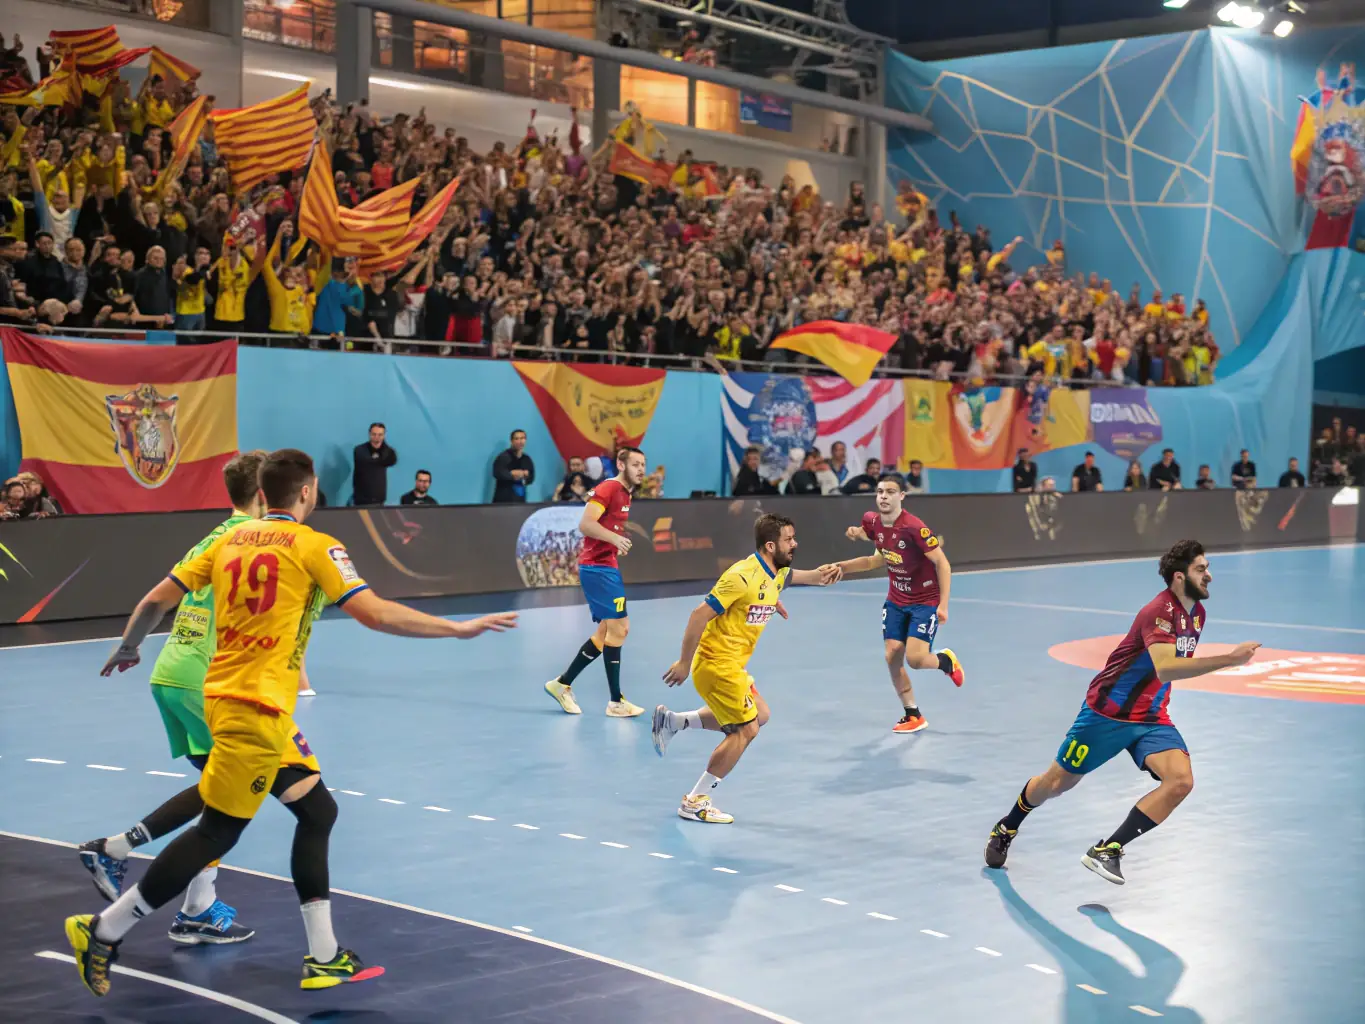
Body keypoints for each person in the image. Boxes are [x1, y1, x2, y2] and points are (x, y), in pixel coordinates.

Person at [66, 448, 518, 999]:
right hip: (253, 711)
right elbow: (374, 613)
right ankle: (104, 930)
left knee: (317, 810)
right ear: (307, 491)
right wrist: (458, 629)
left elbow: (153, 601)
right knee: (216, 832)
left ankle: (325, 957)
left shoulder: (227, 540)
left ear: (263, 493)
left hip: (235, 701)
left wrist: (130, 646)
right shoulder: (315, 546)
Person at [77, 452, 270, 948]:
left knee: (217, 791)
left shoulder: (215, 535)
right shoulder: (255, 537)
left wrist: (130, 646)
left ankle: (196, 907)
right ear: (265, 493)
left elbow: (157, 599)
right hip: (205, 679)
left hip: (171, 671)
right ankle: (117, 851)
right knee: (230, 795)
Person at [983, 540, 1260, 884]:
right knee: (1055, 784)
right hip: (1107, 715)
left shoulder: (1197, 614)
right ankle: (1008, 825)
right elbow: (1165, 668)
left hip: (1151, 717)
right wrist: (1230, 660)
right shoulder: (1157, 612)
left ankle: (1108, 849)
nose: (1209, 576)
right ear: (1179, 577)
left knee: (1180, 782)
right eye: (1201, 569)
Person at [650, 514, 841, 823]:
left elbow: (812, 578)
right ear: (770, 546)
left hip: (733, 666)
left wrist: (834, 572)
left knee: (760, 714)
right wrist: (684, 663)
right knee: (746, 729)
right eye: (789, 540)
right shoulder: (741, 576)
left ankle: (673, 722)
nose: (795, 544)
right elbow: (699, 615)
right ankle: (695, 801)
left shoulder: (777, 573)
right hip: (716, 665)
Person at [830, 474, 965, 733]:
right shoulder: (872, 521)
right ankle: (912, 714)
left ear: (901, 496)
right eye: (880, 491)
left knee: (915, 659)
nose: (883, 496)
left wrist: (943, 605)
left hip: (924, 601)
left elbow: (942, 563)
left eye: (890, 492)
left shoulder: (914, 528)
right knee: (892, 655)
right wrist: (843, 565)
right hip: (895, 600)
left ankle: (945, 662)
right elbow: (875, 559)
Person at [545, 446, 648, 717]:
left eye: (643, 464)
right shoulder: (609, 488)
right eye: (636, 464)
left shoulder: (626, 493)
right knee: (620, 629)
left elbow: (606, 526)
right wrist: (614, 539)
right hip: (597, 568)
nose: (641, 469)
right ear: (621, 465)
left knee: (605, 633)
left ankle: (561, 684)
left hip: (606, 565)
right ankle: (615, 702)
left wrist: (615, 543)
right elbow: (586, 524)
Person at [352, 423, 397, 506]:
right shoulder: (360, 450)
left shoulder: (387, 451)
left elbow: (393, 460)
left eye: (380, 435)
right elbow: (365, 461)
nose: (377, 437)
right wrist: (380, 460)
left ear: (384, 435)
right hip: (361, 498)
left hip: (379, 498)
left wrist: (383, 447)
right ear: (369, 434)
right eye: (374, 434)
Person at [492, 428, 535, 503]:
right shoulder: (504, 457)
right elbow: (497, 472)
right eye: (516, 439)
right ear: (511, 441)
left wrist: (525, 475)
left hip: (520, 501)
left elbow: (531, 477)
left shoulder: (527, 459)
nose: (520, 441)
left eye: (522, 438)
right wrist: (512, 474)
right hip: (503, 501)